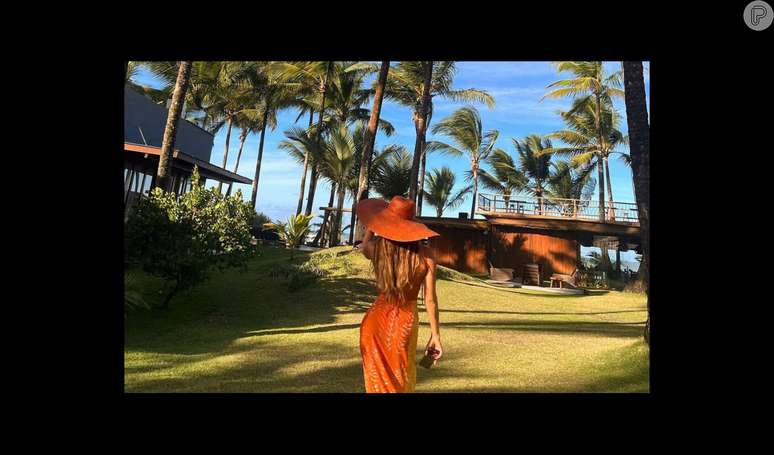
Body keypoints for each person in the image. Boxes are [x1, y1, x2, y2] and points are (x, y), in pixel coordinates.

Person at [355, 195, 443, 393]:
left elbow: (363, 247)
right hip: (405, 321)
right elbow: (430, 299)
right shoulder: (426, 256)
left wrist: (375, 223)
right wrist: (435, 335)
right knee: (400, 378)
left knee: (377, 383)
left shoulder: (379, 249)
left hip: (375, 321)